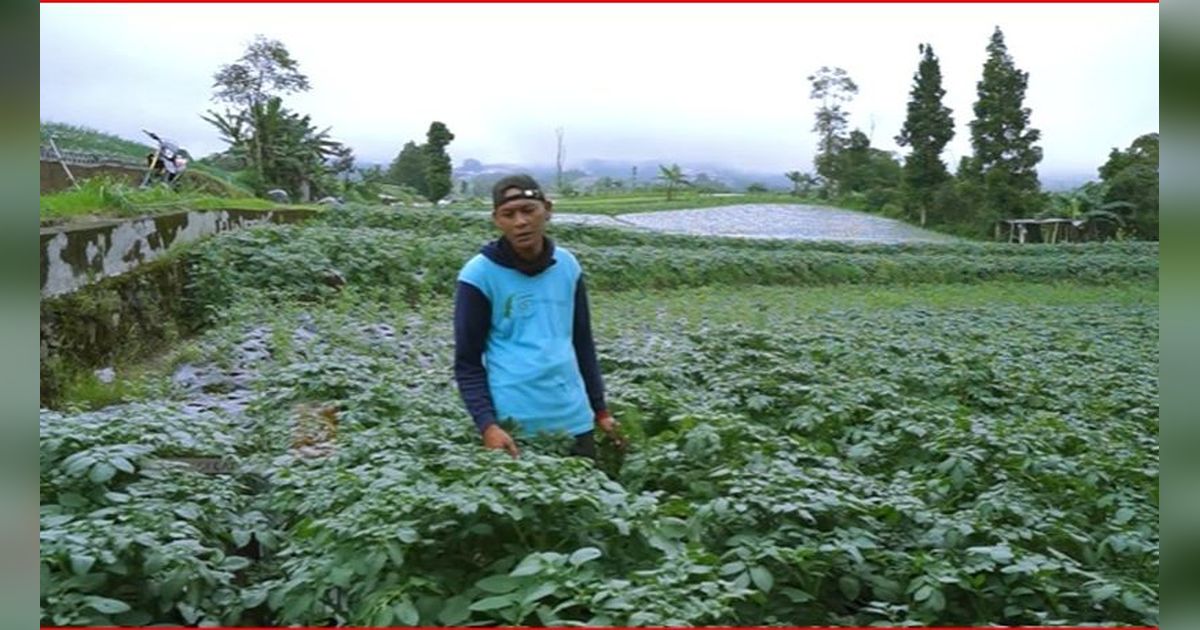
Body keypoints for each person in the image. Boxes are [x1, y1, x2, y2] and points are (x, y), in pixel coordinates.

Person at [453, 174, 620, 459]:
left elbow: (582, 342)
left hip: (575, 420)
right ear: (497, 220)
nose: (520, 222)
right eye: (509, 214)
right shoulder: (478, 275)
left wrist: (600, 409)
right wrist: (487, 425)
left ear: (548, 210)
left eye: (528, 211)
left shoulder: (568, 266)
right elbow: (467, 362)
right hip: (516, 428)